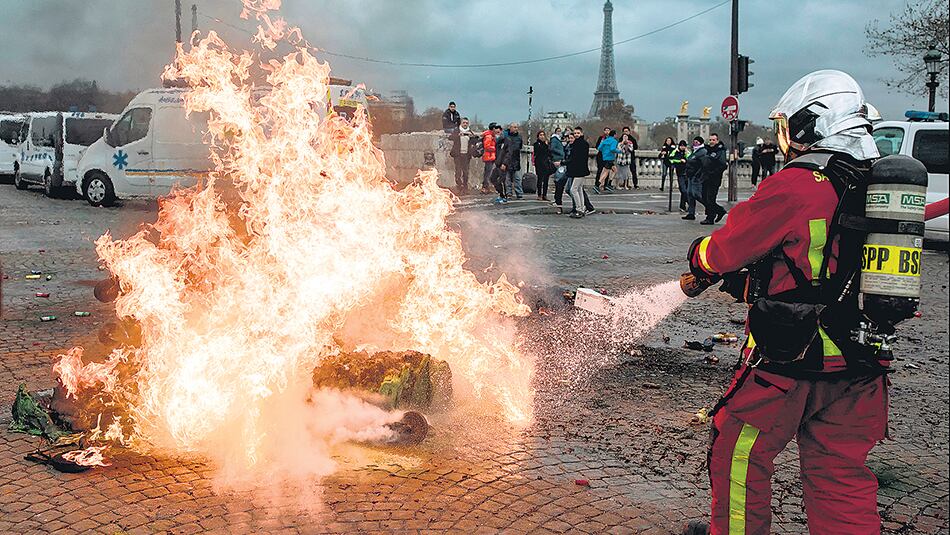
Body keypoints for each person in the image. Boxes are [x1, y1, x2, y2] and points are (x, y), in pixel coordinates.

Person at [681, 70, 886, 535]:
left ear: (811, 126)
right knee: (841, 475)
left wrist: (699, 256)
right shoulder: (878, 184)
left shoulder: (797, 184)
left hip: (792, 359)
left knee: (738, 454)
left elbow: (725, 251)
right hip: (863, 360)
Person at [700, 133, 728, 225]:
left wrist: (713, 173)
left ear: (717, 140)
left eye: (713, 140)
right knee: (704, 198)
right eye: (710, 140)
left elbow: (723, 165)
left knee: (710, 199)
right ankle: (719, 211)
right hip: (705, 177)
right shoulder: (707, 149)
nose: (711, 142)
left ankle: (710, 217)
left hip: (714, 178)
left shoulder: (720, 151)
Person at [567, 126, 595, 218]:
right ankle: (582, 208)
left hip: (578, 170)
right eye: (575, 133)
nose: (576, 135)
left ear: (581, 133)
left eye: (577, 133)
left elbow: (575, 158)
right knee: (579, 189)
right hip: (581, 169)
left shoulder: (578, 144)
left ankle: (579, 208)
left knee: (573, 189)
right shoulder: (583, 143)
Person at [497, 122, 524, 200]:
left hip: (516, 159)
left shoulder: (519, 137)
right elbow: (499, 144)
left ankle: (519, 193)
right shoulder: (505, 136)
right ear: (510, 128)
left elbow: (520, 146)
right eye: (514, 127)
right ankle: (509, 193)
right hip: (507, 159)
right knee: (507, 178)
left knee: (517, 178)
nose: (516, 129)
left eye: (516, 127)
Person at [450, 117, 476, 194]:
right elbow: (450, 137)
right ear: (461, 123)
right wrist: (459, 135)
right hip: (458, 155)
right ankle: (459, 187)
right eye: (464, 123)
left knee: (466, 173)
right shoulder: (457, 130)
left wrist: (472, 137)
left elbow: (475, 141)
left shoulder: (469, 131)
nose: (465, 124)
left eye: (466, 123)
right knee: (458, 173)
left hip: (466, 155)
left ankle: (465, 188)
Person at [683, 136, 707, 220]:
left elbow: (703, 164)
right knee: (689, 194)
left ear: (700, 143)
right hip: (690, 175)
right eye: (694, 142)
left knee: (696, 194)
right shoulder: (695, 151)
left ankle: (710, 206)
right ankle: (691, 213)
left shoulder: (702, 152)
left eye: (696, 142)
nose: (695, 143)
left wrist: (698, 174)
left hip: (696, 176)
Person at [594, 130, 618, 194]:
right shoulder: (614, 141)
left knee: (615, 170)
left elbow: (599, 148)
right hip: (610, 158)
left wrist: (605, 152)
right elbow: (612, 149)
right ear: (614, 135)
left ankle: (608, 183)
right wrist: (619, 151)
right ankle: (597, 184)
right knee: (605, 172)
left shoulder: (605, 140)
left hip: (604, 157)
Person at [669, 140, 691, 211]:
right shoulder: (675, 152)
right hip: (680, 173)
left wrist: (686, 154)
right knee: (683, 190)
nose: (683, 147)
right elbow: (671, 159)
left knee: (686, 191)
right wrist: (679, 161)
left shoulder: (686, 152)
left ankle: (682, 206)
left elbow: (690, 159)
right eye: (681, 146)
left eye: (684, 146)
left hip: (687, 173)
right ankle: (690, 203)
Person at [549, 129, 568, 211]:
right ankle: (558, 200)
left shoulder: (558, 140)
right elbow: (552, 148)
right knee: (559, 181)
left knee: (559, 181)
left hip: (561, 161)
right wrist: (561, 153)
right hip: (558, 160)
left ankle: (557, 200)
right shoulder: (554, 139)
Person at [533, 130, 555, 201]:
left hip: (546, 163)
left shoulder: (547, 144)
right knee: (540, 179)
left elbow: (549, 152)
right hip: (539, 163)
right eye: (540, 135)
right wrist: (545, 145)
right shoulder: (536, 144)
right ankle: (539, 194)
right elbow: (539, 151)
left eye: (543, 135)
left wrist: (547, 145)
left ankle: (544, 194)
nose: (542, 136)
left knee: (546, 180)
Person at [480, 123, 499, 194]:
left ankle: (486, 187)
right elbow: (487, 146)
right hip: (489, 156)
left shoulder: (491, 135)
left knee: (488, 172)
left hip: (491, 156)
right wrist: (496, 148)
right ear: (493, 128)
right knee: (488, 173)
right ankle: (485, 187)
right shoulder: (489, 136)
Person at [593, 127, 610, 192]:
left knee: (607, 171)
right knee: (599, 170)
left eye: (608, 130)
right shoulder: (601, 138)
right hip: (600, 156)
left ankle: (605, 185)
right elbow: (597, 146)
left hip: (608, 156)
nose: (607, 132)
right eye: (605, 130)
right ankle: (597, 184)